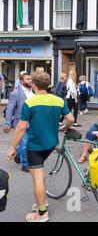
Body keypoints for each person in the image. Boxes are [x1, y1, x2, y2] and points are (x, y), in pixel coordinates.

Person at [6, 71, 74, 222]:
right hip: (51, 144)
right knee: (41, 174)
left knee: (38, 177)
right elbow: (70, 118)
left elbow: (21, 127)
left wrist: (12, 148)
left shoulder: (30, 103)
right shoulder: (58, 101)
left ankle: (42, 213)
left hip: (35, 146)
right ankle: (41, 203)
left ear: (34, 85)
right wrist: (64, 126)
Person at [3, 72, 33, 172]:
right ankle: (25, 164)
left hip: (32, 122)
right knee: (24, 143)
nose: (30, 81)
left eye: (31, 79)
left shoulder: (34, 91)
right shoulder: (15, 93)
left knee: (28, 143)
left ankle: (18, 154)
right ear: (21, 81)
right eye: (28, 79)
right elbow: (10, 109)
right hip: (20, 122)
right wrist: (7, 124)